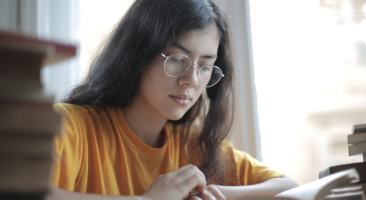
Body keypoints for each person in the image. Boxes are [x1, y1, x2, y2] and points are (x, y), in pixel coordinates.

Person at [48, 0, 298, 199]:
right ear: (139, 53)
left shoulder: (196, 146)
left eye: (205, 66)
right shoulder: (67, 126)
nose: (191, 80)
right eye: (178, 59)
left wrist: (212, 193)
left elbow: (290, 187)